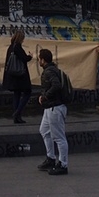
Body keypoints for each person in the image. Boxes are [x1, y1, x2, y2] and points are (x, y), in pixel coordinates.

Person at [36, 48, 69, 176]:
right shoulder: (53, 70)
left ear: (43, 60)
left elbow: (56, 85)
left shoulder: (48, 72)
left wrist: (45, 96)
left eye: (39, 59)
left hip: (54, 107)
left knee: (59, 137)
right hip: (50, 107)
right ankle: (51, 158)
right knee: (44, 130)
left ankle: (63, 164)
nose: (38, 61)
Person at [2, 30, 33, 124]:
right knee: (27, 92)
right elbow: (24, 59)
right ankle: (17, 112)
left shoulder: (10, 47)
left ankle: (17, 118)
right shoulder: (17, 47)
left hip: (12, 76)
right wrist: (30, 56)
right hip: (20, 76)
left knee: (17, 94)